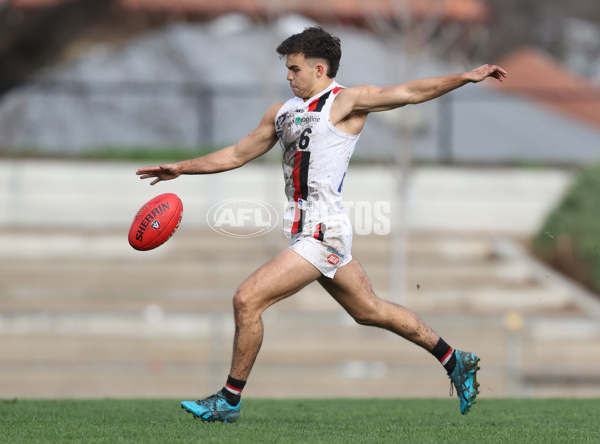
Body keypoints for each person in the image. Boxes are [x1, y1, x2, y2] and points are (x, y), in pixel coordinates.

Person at [137, 26, 507, 422]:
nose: (288, 76)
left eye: (294, 68)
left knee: (247, 300)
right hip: (305, 233)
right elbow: (236, 154)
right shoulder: (280, 113)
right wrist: (182, 168)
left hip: (322, 232)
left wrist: (464, 77)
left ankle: (228, 401)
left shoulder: (345, 102)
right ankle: (455, 360)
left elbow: (410, 92)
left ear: (318, 68)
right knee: (370, 310)